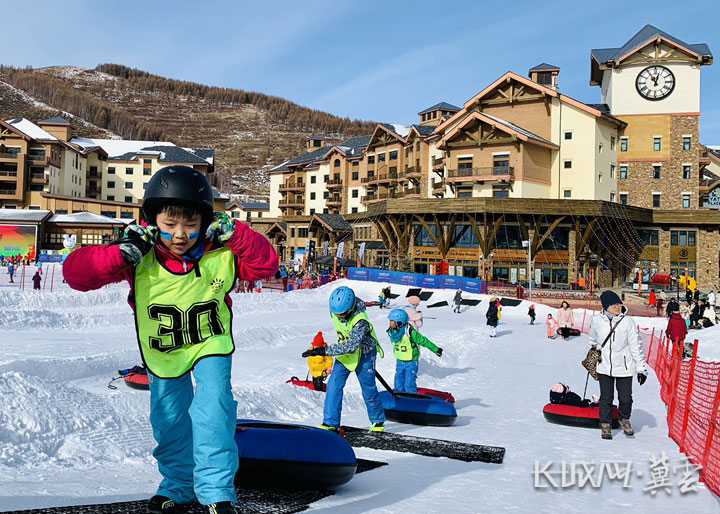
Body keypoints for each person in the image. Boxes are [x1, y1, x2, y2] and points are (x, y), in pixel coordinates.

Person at [63, 165, 278, 514]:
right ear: (153, 221)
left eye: (191, 225)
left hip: (210, 343)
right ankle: (178, 486)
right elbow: (76, 274)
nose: (180, 234)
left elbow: (267, 264)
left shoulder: (218, 251)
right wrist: (119, 252)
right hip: (164, 351)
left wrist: (236, 233)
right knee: (170, 418)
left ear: (205, 222)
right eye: (169, 225)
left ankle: (216, 491)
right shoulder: (140, 255)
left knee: (214, 410)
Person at [302, 286, 385, 433]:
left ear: (351, 307)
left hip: (364, 355)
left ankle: (377, 421)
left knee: (368, 388)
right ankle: (330, 422)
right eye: (337, 314)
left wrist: (324, 351)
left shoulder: (360, 321)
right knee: (333, 385)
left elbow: (352, 345)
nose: (339, 317)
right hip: (345, 355)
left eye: (342, 314)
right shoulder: (335, 311)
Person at [588, 290, 648, 440]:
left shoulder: (628, 322)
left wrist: (641, 368)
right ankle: (605, 424)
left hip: (625, 366)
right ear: (606, 306)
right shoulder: (597, 321)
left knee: (626, 398)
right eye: (613, 304)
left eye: (619, 304)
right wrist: (595, 351)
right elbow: (592, 339)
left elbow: (636, 346)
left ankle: (624, 419)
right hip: (604, 366)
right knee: (606, 397)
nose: (617, 307)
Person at [386, 309, 442, 393]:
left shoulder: (409, 332)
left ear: (399, 322)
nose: (390, 323)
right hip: (399, 361)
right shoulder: (392, 332)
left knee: (409, 382)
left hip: (411, 361)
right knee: (398, 381)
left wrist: (436, 349)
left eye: (392, 321)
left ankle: (412, 397)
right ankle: (398, 395)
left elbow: (423, 341)